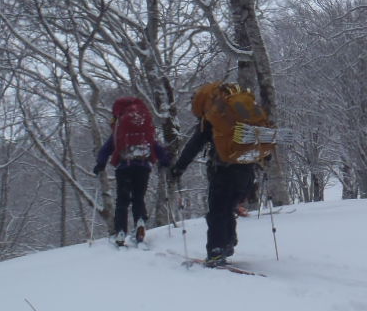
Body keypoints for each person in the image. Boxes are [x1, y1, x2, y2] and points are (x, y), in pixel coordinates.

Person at [170, 83, 266, 266]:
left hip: (224, 171)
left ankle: (216, 251)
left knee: (216, 213)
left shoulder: (212, 119)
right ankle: (227, 243)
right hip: (247, 171)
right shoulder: (242, 115)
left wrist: (178, 168)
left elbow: (193, 146)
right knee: (227, 208)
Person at [93, 96, 171, 246]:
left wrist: (100, 164)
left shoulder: (120, 126)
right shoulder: (144, 123)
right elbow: (155, 144)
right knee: (138, 197)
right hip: (143, 167)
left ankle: (121, 231)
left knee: (122, 200)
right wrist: (165, 160)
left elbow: (108, 147)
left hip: (124, 167)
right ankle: (140, 221)